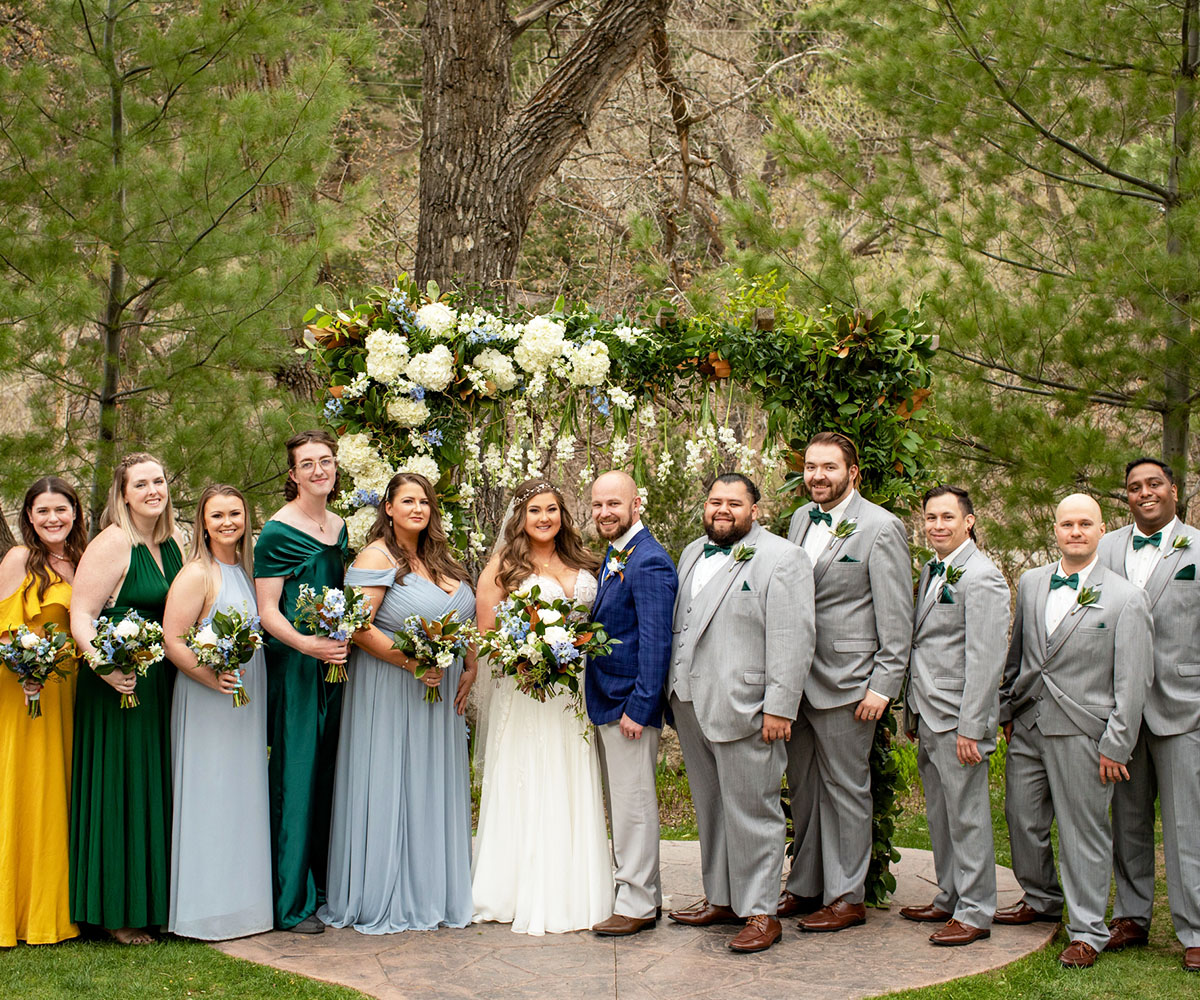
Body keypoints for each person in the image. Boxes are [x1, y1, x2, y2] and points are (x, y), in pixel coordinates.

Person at [998, 493, 1152, 968]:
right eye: (1067, 524)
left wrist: (1117, 745)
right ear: (1056, 529)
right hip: (1027, 726)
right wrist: (1007, 711)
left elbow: (1133, 681)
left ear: (1102, 530)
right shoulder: (1031, 582)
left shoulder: (1127, 597)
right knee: (1021, 818)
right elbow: (1019, 654)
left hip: (1085, 732)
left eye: (1086, 523)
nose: (1076, 531)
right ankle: (1042, 899)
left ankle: (1087, 930)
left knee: (1082, 830)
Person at [320, 473, 477, 933]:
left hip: (440, 693)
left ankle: (434, 889)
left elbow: (462, 620)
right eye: (407, 500)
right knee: (394, 781)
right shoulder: (376, 556)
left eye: (424, 501)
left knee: (430, 785)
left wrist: (469, 665)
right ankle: (387, 891)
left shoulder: (440, 558)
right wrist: (411, 663)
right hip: (391, 691)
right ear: (387, 507)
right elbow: (357, 627)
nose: (417, 508)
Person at [666, 473, 814, 953]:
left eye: (734, 502)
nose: (722, 509)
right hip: (689, 701)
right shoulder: (691, 552)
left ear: (755, 510)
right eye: (714, 501)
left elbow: (793, 637)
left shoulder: (783, 558)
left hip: (749, 706)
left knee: (754, 811)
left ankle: (760, 911)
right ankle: (723, 899)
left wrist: (780, 706)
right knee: (711, 808)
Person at [781, 431, 913, 932]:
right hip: (796, 681)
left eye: (829, 467)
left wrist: (883, 685)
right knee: (805, 788)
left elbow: (896, 616)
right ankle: (805, 886)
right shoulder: (798, 520)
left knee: (847, 789)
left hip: (850, 684)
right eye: (811, 466)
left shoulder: (881, 528)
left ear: (852, 473)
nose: (817, 475)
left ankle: (846, 896)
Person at [471, 479, 613, 935]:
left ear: (562, 514)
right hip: (528, 689)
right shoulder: (502, 568)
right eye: (535, 510)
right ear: (521, 517)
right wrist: (531, 656)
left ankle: (578, 886)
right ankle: (517, 888)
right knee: (529, 776)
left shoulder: (586, 561)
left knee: (572, 775)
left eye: (552, 509)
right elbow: (487, 637)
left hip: (575, 690)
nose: (545, 518)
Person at [69, 453, 186, 944]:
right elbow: (81, 613)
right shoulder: (113, 543)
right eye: (141, 484)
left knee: (156, 785)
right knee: (123, 787)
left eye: (158, 481)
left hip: (163, 682)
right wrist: (104, 667)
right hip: (119, 682)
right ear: (123, 493)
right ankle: (117, 911)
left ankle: (157, 902)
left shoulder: (177, 540)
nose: (153, 491)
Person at [1097, 458, 1200, 973]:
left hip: (1184, 708)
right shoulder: (1106, 547)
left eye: (1153, 484)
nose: (1144, 493)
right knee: (1127, 820)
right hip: (1119, 709)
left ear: (1174, 491)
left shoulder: (1198, 549)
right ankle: (1131, 916)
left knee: (1188, 824)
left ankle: (1196, 929)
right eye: (1134, 487)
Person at [900, 486, 1009, 946]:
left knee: (967, 816)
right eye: (930, 517)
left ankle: (976, 909)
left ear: (969, 521)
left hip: (958, 718)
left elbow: (986, 660)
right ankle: (949, 893)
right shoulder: (931, 569)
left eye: (948, 517)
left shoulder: (982, 576)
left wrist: (973, 726)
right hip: (928, 711)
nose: (937, 525)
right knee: (941, 813)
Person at [163, 484, 272, 941]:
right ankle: (204, 911)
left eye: (235, 513)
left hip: (245, 701)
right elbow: (172, 638)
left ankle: (243, 905)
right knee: (210, 793)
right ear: (202, 524)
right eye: (217, 515)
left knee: (242, 793)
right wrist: (211, 679)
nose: (228, 522)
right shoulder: (197, 574)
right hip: (209, 699)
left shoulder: (244, 570)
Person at [253, 429, 349, 933]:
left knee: (329, 774)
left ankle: (323, 884)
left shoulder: (339, 525)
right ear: (292, 475)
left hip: (336, 665)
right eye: (307, 464)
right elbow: (267, 610)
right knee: (296, 775)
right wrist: (309, 645)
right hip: (295, 667)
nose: (318, 470)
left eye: (326, 461)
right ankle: (290, 902)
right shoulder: (276, 532)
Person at [586, 470, 677, 937]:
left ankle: (638, 904)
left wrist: (640, 708)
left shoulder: (649, 561)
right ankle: (645, 896)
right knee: (623, 803)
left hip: (629, 707)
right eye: (598, 504)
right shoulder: (618, 553)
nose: (605, 513)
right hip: (609, 700)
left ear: (636, 505)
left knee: (633, 805)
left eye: (614, 504)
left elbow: (658, 644)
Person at [0, 477, 87, 947]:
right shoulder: (19, 560)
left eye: (62, 509)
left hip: (71, 691)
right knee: (30, 792)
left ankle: (67, 904)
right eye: (43, 511)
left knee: (65, 791)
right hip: (25, 690)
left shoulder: (84, 558)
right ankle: (21, 913)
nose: (54, 519)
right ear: (29, 518)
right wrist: (21, 667)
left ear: (75, 512)